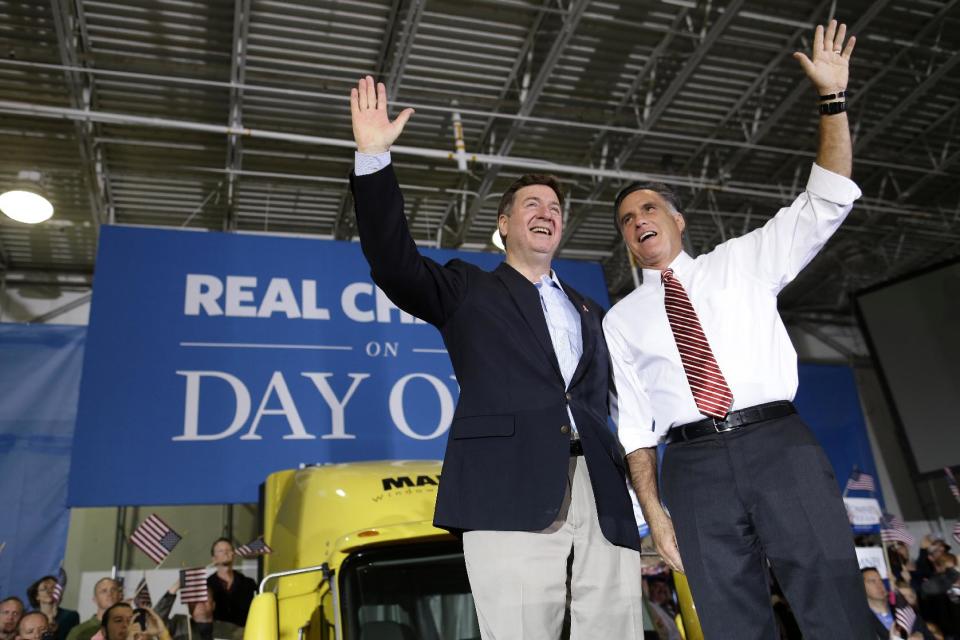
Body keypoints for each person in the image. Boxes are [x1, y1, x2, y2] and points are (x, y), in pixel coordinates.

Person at [603, 20, 875, 638]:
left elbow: (826, 199)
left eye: (648, 207)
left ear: (677, 218)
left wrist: (832, 100)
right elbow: (634, 426)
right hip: (691, 468)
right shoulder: (621, 320)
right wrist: (654, 514)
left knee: (835, 604)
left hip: (778, 444)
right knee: (730, 624)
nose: (638, 220)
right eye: (625, 219)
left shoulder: (743, 261)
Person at [348, 75, 643, 639]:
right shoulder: (468, 289)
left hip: (602, 493)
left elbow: (619, 403)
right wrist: (373, 157)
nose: (547, 211)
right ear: (503, 225)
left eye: (555, 206)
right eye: (531, 203)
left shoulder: (592, 310)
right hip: (508, 489)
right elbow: (392, 261)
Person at [863, 568, 932, 640]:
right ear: (861, 586)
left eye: (880, 580)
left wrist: (920, 635)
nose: (879, 585)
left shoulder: (905, 609)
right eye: (872, 581)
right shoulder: (862, 621)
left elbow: (929, 636)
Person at [206, 539, 255, 630]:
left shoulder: (248, 583)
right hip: (217, 634)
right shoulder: (207, 585)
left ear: (234, 555)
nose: (225, 553)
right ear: (213, 558)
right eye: (221, 551)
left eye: (228, 550)